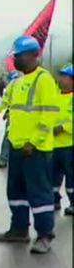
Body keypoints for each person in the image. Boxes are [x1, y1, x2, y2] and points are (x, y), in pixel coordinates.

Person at [0, 36, 59, 254]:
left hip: (35, 149)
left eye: (18, 56)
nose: (15, 60)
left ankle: (44, 235)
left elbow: (49, 115)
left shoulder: (44, 79)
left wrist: (34, 141)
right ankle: (19, 229)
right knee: (16, 192)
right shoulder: (19, 81)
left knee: (39, 193)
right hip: (17, 146)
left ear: (32, 55)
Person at [52, 64, 73, 215]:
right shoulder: (54, 96)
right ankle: (54, 200)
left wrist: (63, 128)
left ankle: (73, 202)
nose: (62, 79)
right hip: (52, 145)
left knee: (71, 176)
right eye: (61, 76)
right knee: (52, 176)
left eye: (65, 77)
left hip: (69, 144)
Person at [0, 71, 21, 168]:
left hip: (18, 118)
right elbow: (7, 102)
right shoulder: (14, 85)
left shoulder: (14, 84)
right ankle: (4, 159)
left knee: (9, 138)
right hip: (14, 117)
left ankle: (4, 159)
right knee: (8, 138)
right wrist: (1, 112)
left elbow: (5, 102)